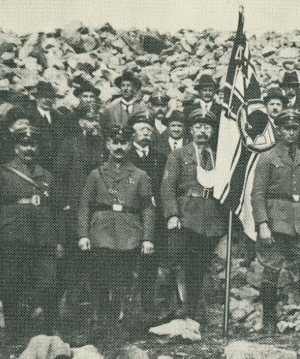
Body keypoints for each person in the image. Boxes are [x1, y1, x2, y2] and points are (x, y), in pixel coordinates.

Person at [252, 108, 300, 331]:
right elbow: (257, 194)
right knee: (272, 268)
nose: (291, 133)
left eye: (295, 128)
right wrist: (263, 223)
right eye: (286, 128)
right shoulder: (267, 158)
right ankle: (269, 319)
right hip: (276, 222)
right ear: (278, 130)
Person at [0, 127, 56, 342]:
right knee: (12, 282)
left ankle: (48, 330)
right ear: (16, 148)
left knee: (48, 281)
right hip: (13, 233)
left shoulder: (47, 175)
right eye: (24, 144)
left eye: (33, 145)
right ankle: (13, 332)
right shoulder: (2, 173)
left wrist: (57, 239)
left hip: (42, 236)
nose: (29, 149)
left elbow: (55, 208)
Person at [77, 125, 155, 331]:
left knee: (124, 279)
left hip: (129, 232)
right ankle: (98, 321)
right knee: (100, 277)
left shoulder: (140, 175)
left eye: (123, 143)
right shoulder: (96, 174)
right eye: (115, 142)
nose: (119, 147)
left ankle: (121, 322)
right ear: (108, 145)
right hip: (101, 231)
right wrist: (83, 234)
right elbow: (85, 204)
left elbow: (147, 208)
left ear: (129, 145)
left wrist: (147, 238)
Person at [161, 110, 225, 321]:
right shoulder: (179, 155)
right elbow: (167, 187)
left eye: (207, 127)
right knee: (178, 260)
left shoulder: (220, 156)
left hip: (211, 217)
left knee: (200, 264)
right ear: (191, 129)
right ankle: (175, 306)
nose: (203, 131)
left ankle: (195, 307)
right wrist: (172, 214)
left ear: (213, 131)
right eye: (198, 126)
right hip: (186, 215)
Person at [53, 99, 105, 331]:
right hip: (75, 210)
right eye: (90, 119)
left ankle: (96, 314)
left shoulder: (104, 144)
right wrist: (64, 204)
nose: (94, 124)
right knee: (74, 262)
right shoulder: (70, 144)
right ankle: (71, 314)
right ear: (81, 121)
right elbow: (60, 177)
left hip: (99, 210)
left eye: (96, 119)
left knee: (97, 262)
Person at [128, 112, 168, 317]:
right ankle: (126, 311)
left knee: (150, 263)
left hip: (155, 218)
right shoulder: (125, 157)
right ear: (132, 132)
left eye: (149, 129)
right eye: (141, 128)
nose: (146, 132)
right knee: (127, 263)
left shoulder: (160, 158)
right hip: (131, 217)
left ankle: (147, 308)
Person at [100, 69, 145, 139]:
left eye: (128, 85)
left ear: (134, 88)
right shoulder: (110, 108)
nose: (125, 89)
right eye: (123, 85)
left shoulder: (142, 109)